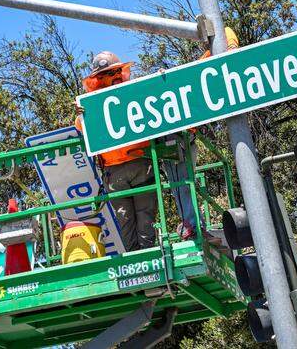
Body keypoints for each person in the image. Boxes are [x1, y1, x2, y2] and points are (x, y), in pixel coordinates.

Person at [75, 51, 157, 252]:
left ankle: (147, 259)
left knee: (144, 218)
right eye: (106, 75)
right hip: (115, 173)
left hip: (139, 164)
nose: (113, 77)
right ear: (97, 79)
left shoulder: (134, 95)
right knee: (126, 221)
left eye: (116, 72)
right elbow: (81, 126)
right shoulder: (91, 104)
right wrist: (80, 116)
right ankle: (136, 262)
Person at [164, 27, 241, 240]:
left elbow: (231, 49)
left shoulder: (221, 40)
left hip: (184, 135)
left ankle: (193, 225)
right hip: (180, 134)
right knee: (183, 183)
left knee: (183, 183)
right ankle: (194, 224)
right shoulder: (201, 66)